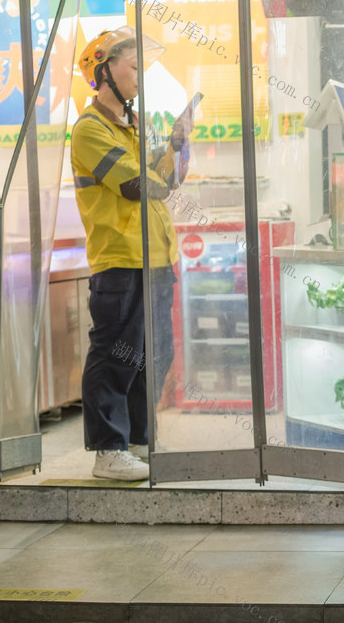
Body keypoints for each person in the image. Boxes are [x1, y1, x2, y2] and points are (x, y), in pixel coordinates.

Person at [71, 26, 192, 480]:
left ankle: (138, 441)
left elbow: (166, 178)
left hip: (157, 258)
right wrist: (163, 167)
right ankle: (108, 450)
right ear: (104, 70)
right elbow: (140, 185)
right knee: (116, 354)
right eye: (135, 67)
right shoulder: (89, 130)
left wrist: (177, 143)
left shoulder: (134, 125)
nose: (141, 77)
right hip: (121, 260)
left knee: (153, 354)